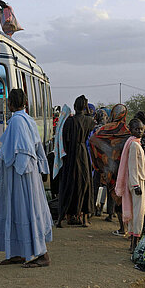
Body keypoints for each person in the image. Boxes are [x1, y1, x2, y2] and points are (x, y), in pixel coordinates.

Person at [0, 89, 53, 268]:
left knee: (26, 210)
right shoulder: (27, 119)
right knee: (18, 210)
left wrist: (14, 163)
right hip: (26, 173)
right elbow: (37, 147)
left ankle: (42, 255)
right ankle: (18, 252)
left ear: (11, 103)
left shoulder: (17, 121)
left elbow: (22, 150)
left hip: (21, 175)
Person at [89, 104, 131, 234]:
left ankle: (121, 227)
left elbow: (93, 140)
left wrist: (103, 159)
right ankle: (127, 228)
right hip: (124, 169)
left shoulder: (105, 129)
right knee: (124, 197)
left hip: (110, 169)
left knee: (114, 193)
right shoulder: (127, 131)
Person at [56, 95, 95, 228]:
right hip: (83, 154)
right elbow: (92, 122)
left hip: (70, 155)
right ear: (85, 107)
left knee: (68, 185)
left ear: (74, 107)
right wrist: (87, 111)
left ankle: (61, 218)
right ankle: (84, 219)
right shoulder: (89, 121)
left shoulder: (69, 122)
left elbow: (64, 140)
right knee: (85, 184)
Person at [115, 118, 145, 252]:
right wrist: (135, 185)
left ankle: (133, 242)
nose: (139, 131)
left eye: (141, 129)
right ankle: (134, 243)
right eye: (136, 129)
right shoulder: (134, 145)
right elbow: (132, 166)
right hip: (137, 181)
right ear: (131, 130)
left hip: (137, 180)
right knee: (138, 213)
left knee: (137, 213)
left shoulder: (134, 143)